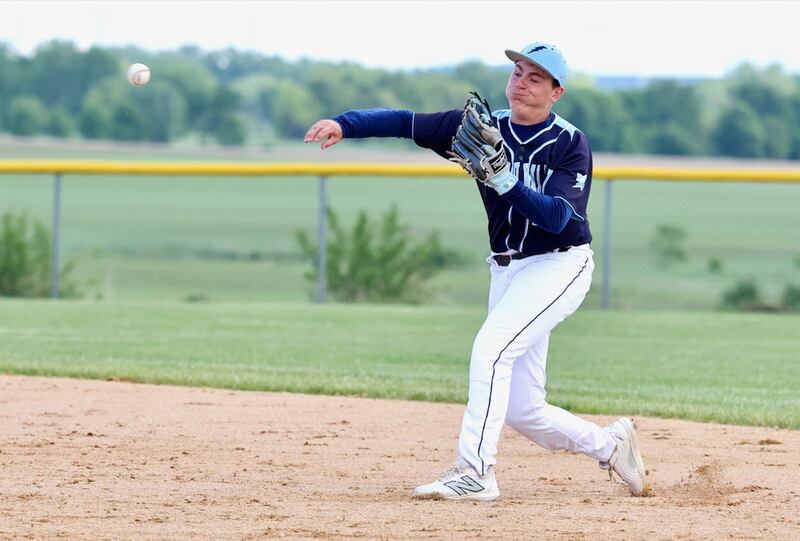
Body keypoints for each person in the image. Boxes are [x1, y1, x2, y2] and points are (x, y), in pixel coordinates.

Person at [304, 42, 650, 501]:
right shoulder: (480, 128)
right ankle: (611, 445)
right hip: (508, 268)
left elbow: (557, 219)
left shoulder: (570, 143)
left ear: (556, 92)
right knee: (525, 410)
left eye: (535, 77)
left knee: (490, 349)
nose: (522, 82)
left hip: (559, 263)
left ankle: (475, 471)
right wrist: (344, 124)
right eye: (518, 72)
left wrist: (505, 179)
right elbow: (405, 122)